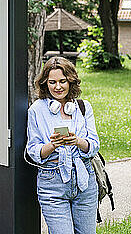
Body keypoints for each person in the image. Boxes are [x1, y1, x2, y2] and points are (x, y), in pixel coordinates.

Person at [25, 56, 100, 234]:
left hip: (85, 181)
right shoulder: (37, 109)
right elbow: (33, 151)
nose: (57, 87)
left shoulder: (83, 107)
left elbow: (94, 145)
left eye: (62, 81)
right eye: (52, 82)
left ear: (70, 81)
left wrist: (77, 142)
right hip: (52, 183)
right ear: (45, 83)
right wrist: (52, 145)